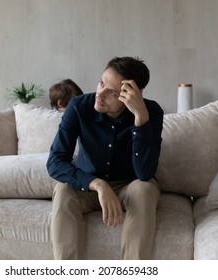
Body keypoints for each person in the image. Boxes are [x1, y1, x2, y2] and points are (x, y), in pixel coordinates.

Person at [46, 56, 164, 260]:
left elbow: (145, 173)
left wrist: (140, 120)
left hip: (130, 186)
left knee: (144, 188)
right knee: (63, 189)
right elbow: (55, 162)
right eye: (101, 82)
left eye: (111, 93)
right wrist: (97, 184)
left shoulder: (150, 112)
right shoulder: (78, 107)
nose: (99, 94)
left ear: (130, 95)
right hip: (89, 188)